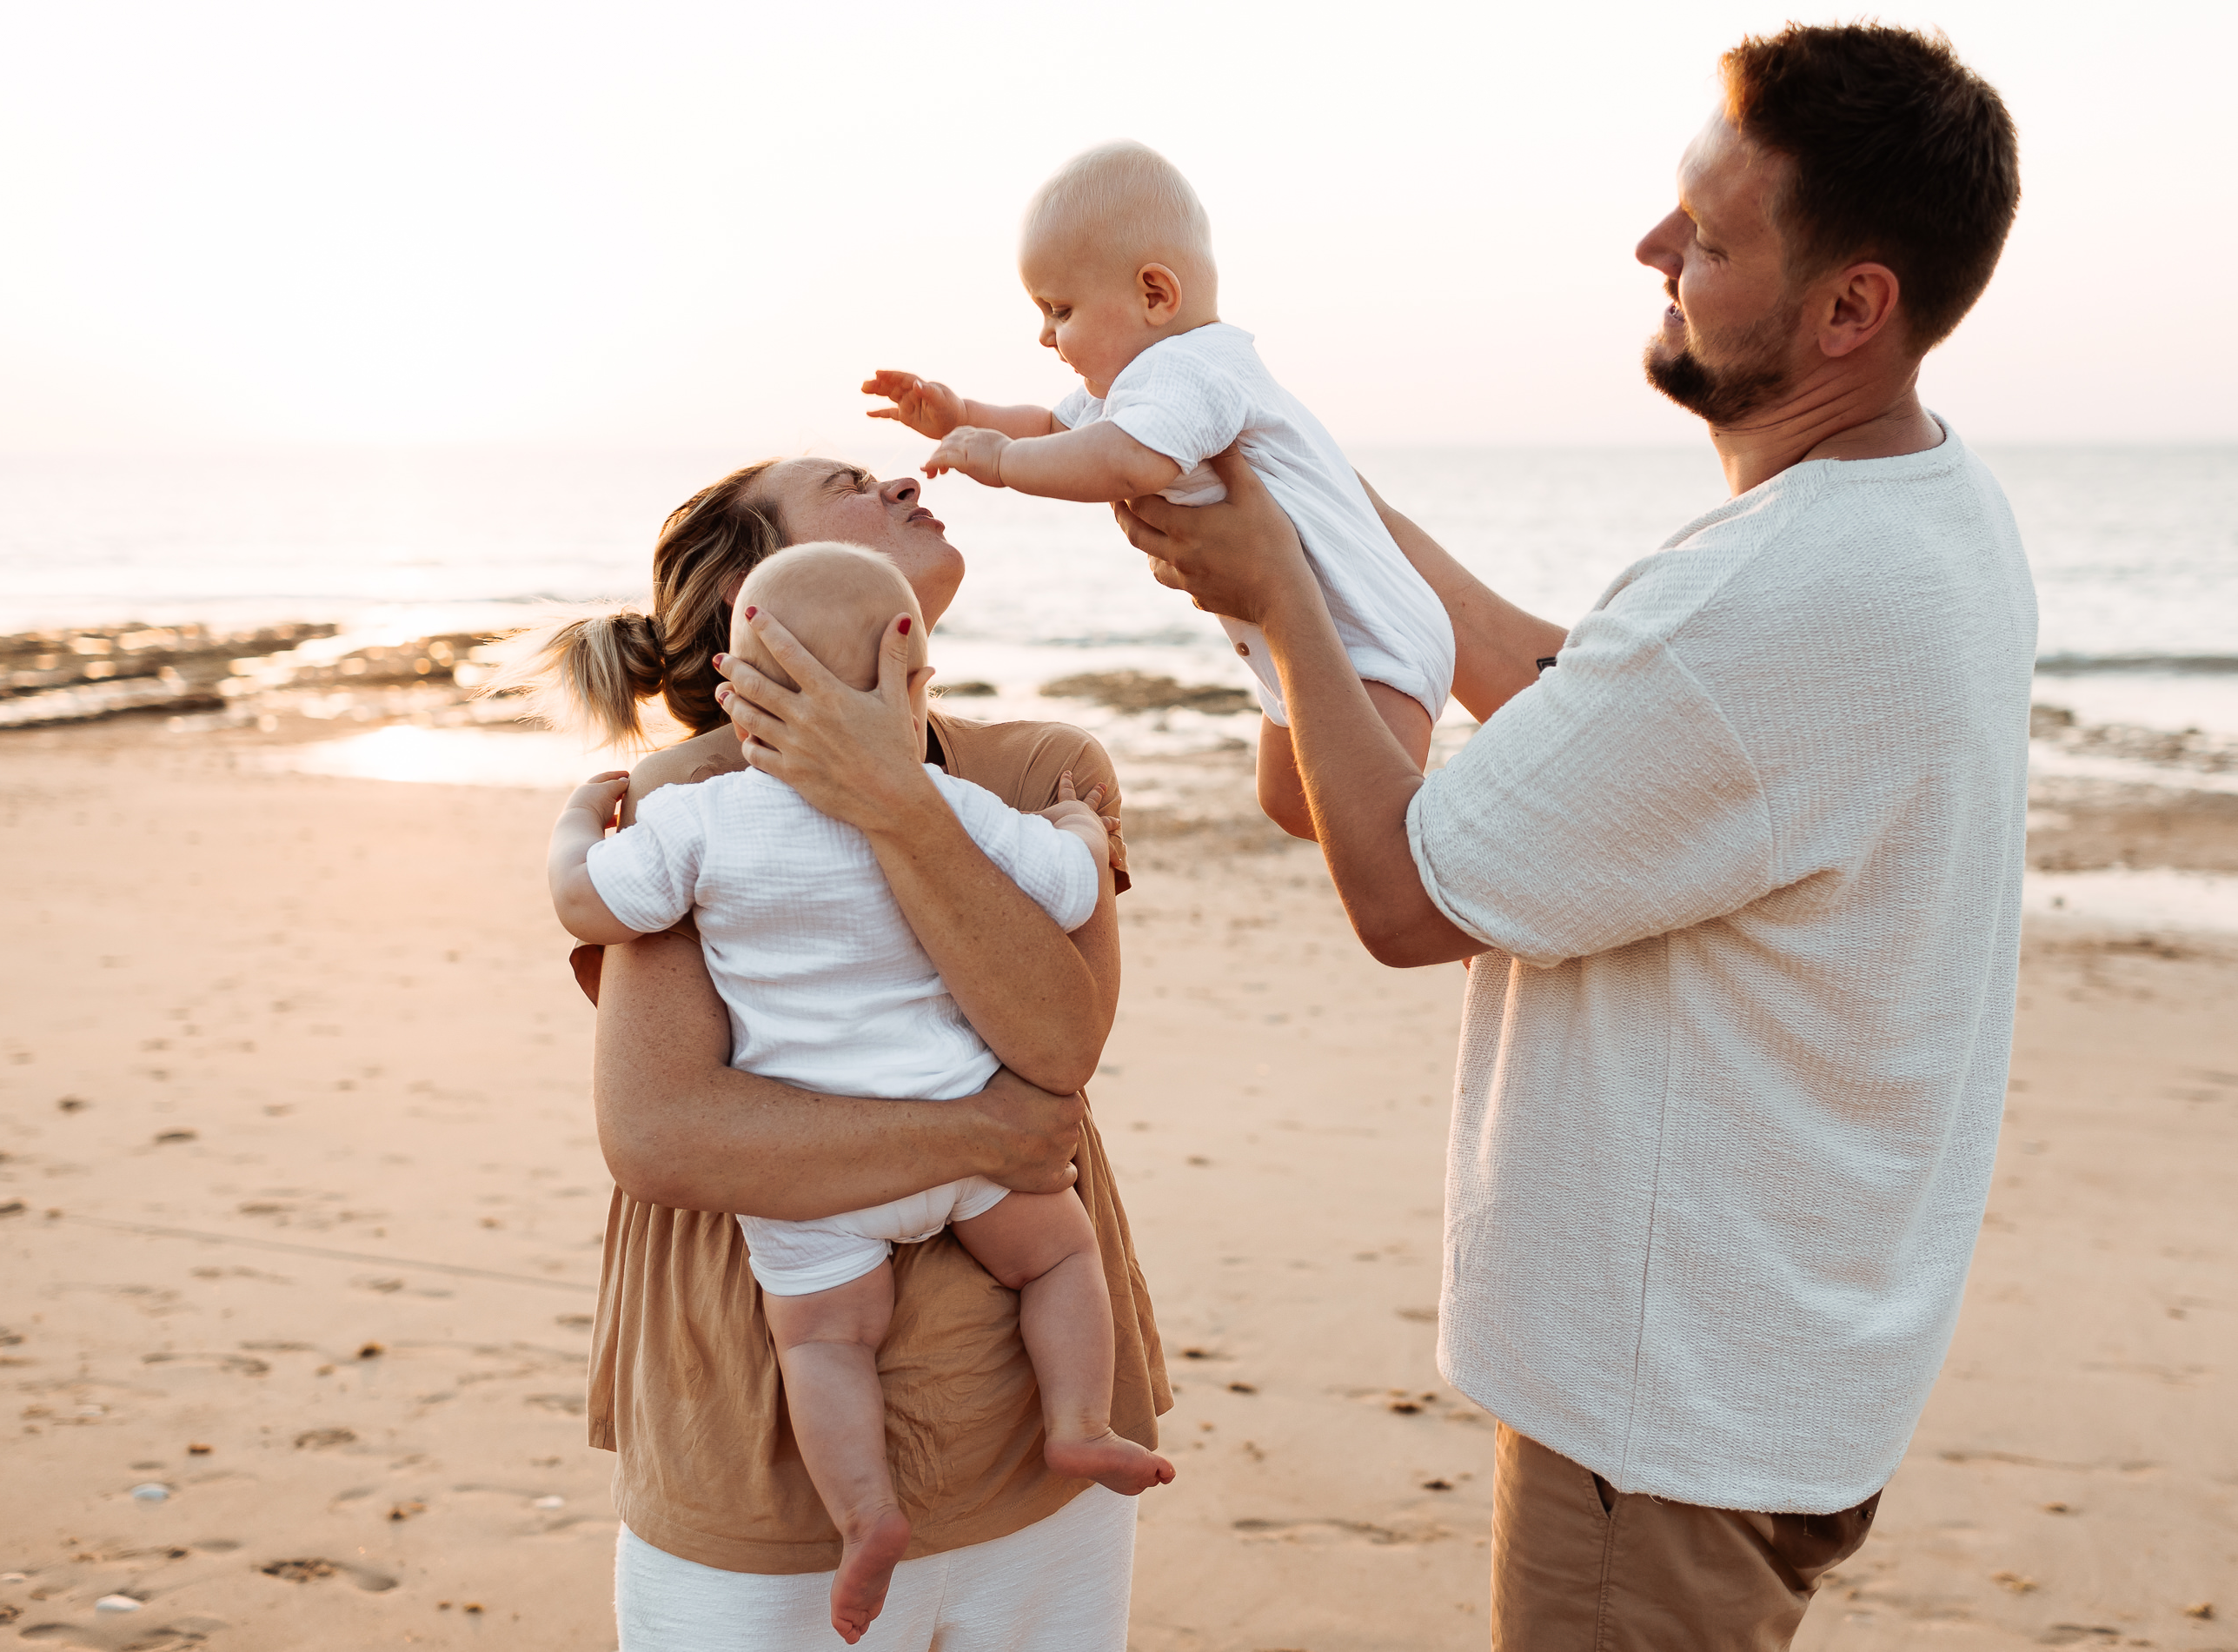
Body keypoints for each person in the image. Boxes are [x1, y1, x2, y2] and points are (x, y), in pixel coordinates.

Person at [1112, 23, 2030, 1650]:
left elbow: (1404, 893)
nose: (1652, 251)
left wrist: (1274, 603)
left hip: (1659, 1421)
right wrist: (1312, 493)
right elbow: (1577, 701)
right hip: (1778, 1371)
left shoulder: (1773, 595)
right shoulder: (1925, 505)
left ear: (1850, 308)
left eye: (1713, 237)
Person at [530, 456, 1170, 1651]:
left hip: (1030, 1445)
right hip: (752, 1455)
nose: (895, 475)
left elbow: (1060, 1040)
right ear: (746, 608)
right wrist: (980, 1136)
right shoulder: (682, 797)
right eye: (844, 484)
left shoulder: (1043, 772)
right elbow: (663, 1134)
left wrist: (894, 794)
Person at [860, 139, 1454, 840]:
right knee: (1289, 802)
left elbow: (1125, 463)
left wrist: (1002, 461)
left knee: (1386, 831)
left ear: (1155, 295)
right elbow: (1057, 425)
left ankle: (1482, 833)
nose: (1047, 337)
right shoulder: (1141, 384)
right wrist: (965, 416)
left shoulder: (1191, 372)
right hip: (1305, 640)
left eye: (1060, 310)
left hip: (1371, 639)